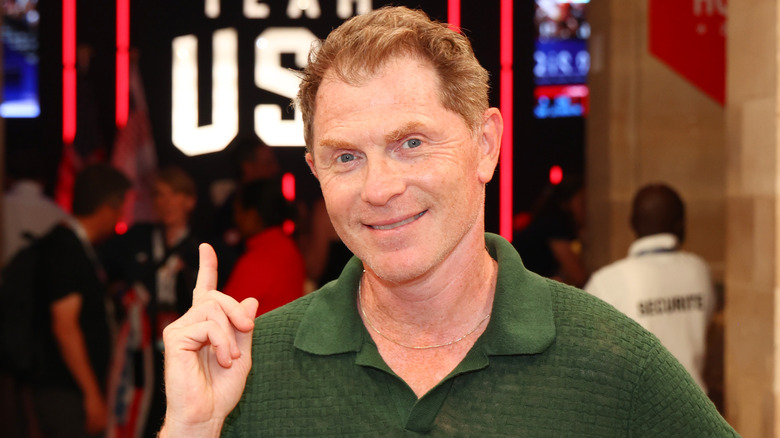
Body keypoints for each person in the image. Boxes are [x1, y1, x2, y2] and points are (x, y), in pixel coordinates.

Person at [159, 7, 738, 437]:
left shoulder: (612, 361)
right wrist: (191, 428)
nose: (380, 188)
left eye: (411, 143)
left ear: (485, 145)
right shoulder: (249, 373)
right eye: (346, 157)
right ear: (315, 172)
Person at [584, 183, 716, 392]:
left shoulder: (605, 282)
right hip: (698, 410)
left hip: (641, 413)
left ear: (632, 224)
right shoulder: (699, 270)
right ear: (681, 225)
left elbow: (588, 353)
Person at [31, 163, 131, 438]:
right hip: (65, 394)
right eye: (121, 207)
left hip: (69, 391)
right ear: (108, 207)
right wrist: (91, 395)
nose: (122, 215)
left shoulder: (76, 247)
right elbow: (65, 327)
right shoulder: (65, 249)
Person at [100, 166, 200, 437]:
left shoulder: (200, 248)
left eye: (172, 195)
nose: (164, 202)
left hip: (183, 346)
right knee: (137, 410)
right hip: (140, 347)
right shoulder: (136, 239)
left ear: (189, 201)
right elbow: (101, 271)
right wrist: (122, 293)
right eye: (158, 195)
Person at [222, 178, 304, 316]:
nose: (235, 219)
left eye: (238, 212)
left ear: (252, 215)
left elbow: (222, 315)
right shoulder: (289, 247)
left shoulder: (257, 260)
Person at [512, 174, 588, 287]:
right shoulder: (554, 226)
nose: (587, 208)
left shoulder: (549, 223)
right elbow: (579, 276)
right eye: (582, 202)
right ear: (565, 204)